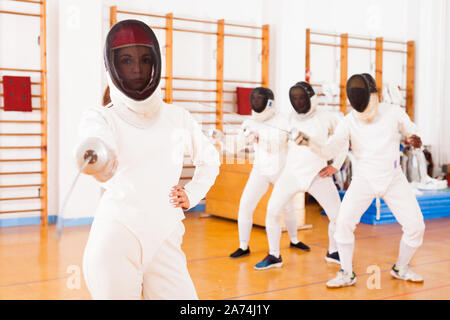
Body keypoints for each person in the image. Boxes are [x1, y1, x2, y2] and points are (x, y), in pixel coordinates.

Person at [75, 19, 220, 299]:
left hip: (166, 236)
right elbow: (96, 142)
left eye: (144, 59)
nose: (137, 69)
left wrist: (192, 193)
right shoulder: (101, 117)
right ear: (113, 66)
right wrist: (99, 161)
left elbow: (211, 160)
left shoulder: (178, 118)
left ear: (155, 62)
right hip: (116, 240)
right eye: (127, 60)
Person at [293, 73, 425, 287]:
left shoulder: (393, 112)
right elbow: (329, 148)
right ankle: (346, 273)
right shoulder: (349, 121)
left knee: (416, 226)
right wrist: (309, 142)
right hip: (364, 179)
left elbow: (411, 130)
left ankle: (401, 267)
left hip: (393, 178)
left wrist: (413, 137)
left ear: (373, 94)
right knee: (343, 224)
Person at [254, 81, 347, 270]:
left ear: (311, 98)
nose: (298, 101)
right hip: (292, 173)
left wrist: (336, 165)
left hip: (317, 174)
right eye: (294, 98)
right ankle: (274, 256)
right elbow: (277, 145)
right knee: (272, 211)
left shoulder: (327, 117)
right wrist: (259, 140)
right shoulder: (289, 119)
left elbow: (342, 140)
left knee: (338, 216)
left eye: (301, 98)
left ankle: (334, 251)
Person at [229, 87, 310, 263]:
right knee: (245, 204)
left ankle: (294, 240)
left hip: (281, 171)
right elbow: (235, 146)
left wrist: (258, 138)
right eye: (254, 99)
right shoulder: (249, 121)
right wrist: (244, 138)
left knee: (287, 208)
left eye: (260, 100)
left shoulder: (282, 120)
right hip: (260, 171)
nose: (256, 103)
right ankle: (243, 245)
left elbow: (276, 146)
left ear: (269, 102)